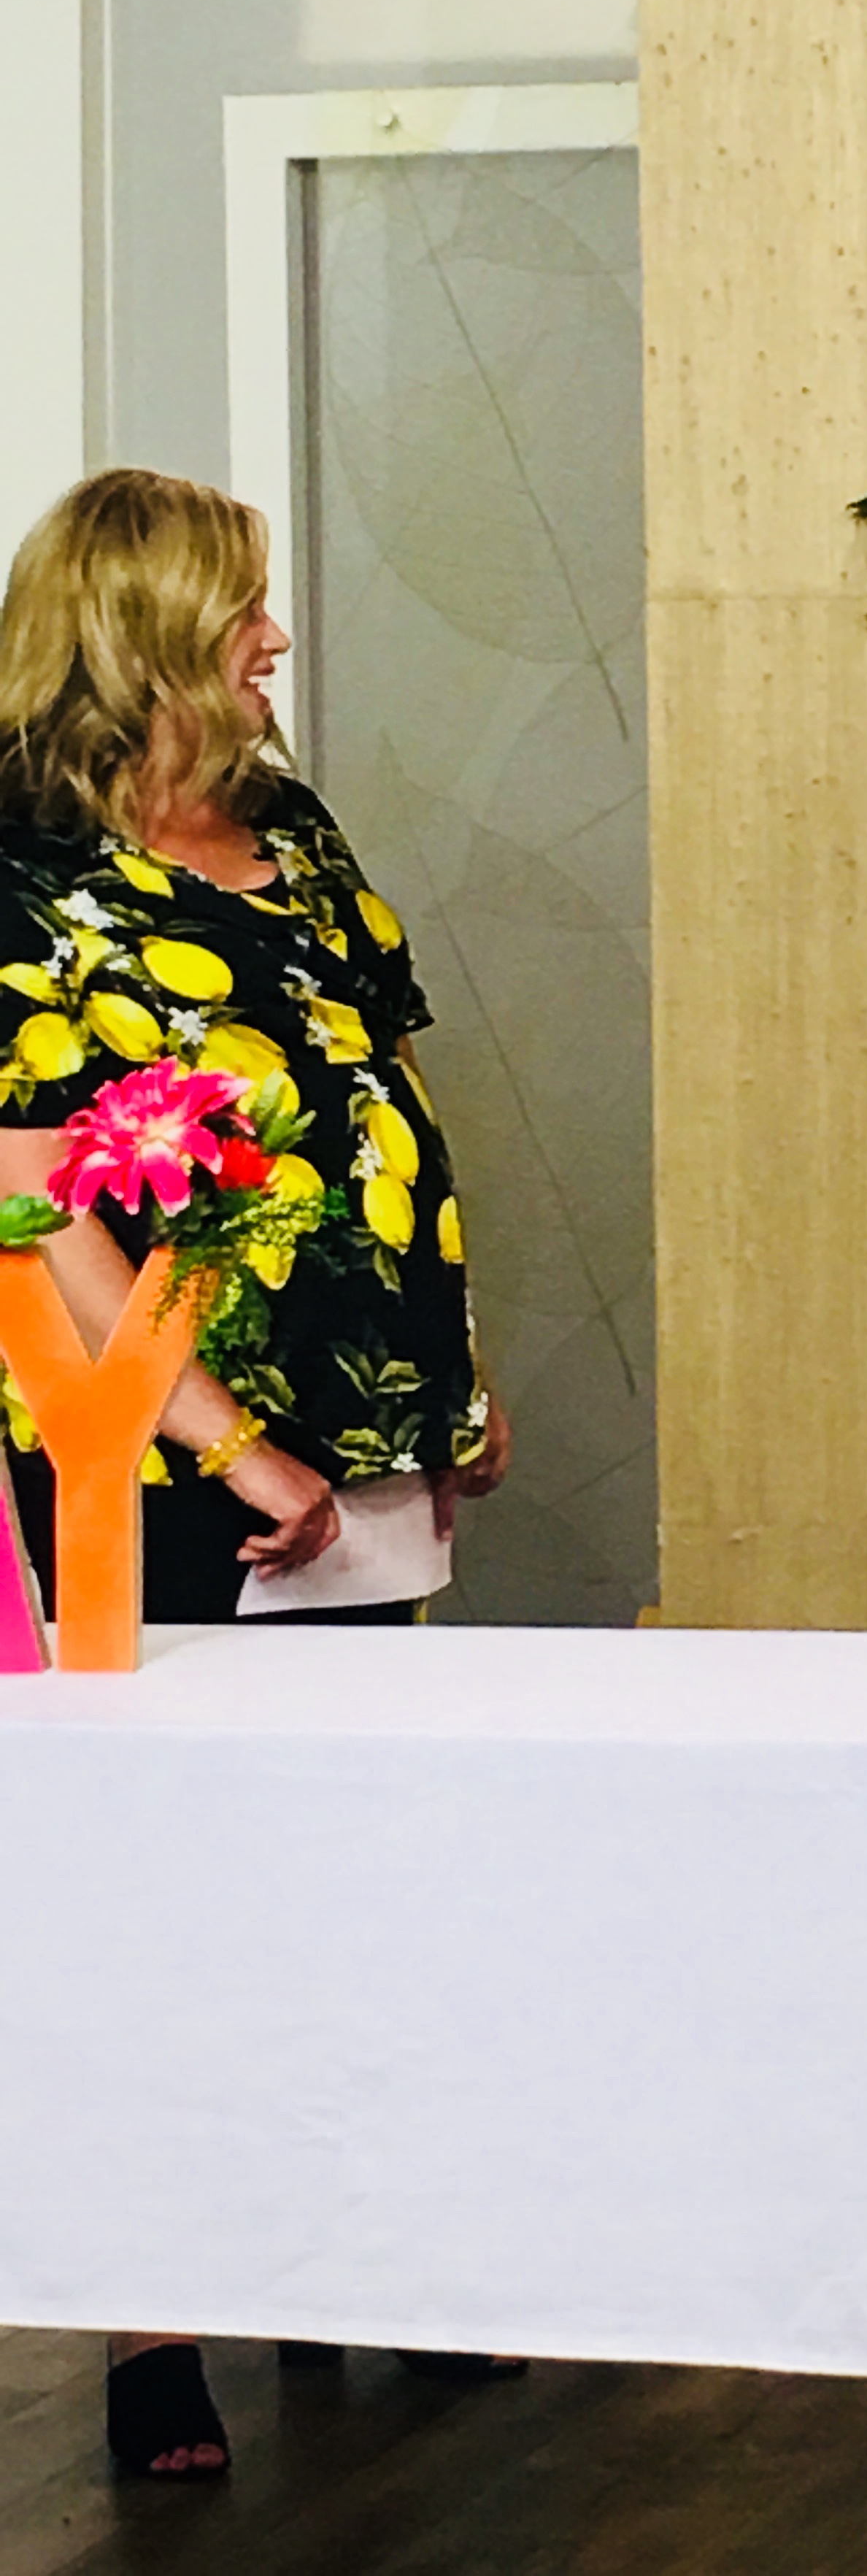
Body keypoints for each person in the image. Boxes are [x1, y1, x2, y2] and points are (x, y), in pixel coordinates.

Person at [0, 469, 514, 2479]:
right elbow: (33, 1199)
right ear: (141, 635)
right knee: (174, 1883)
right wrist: (227, 1441)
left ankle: (350, 2261)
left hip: (367, 1425)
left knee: (360, 1856)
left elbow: (390, 1090)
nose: (276, 641)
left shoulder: (288, 827)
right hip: (149, 1454)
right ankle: (156, 2319)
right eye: (244, 613)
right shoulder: (26, 868)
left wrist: (454, 1367)